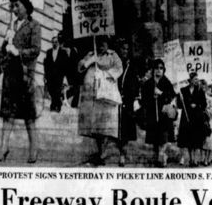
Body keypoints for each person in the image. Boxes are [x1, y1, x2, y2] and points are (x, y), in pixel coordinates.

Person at [0, 0, 41, 163]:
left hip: (25, 75)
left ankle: (34, 149)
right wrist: (4, 42)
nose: (14, 9)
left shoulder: (34, 25)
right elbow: (4, 49)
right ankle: (3, 148)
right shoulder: (11, 25)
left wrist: (18, 52)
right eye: (12, 6)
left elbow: (36, 50)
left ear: (26, 6)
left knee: (29, 115)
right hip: (10, 74)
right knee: (8, 113)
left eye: (17, 5)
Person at [78, 37, 123, 165]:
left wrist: (104, 75)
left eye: (103, 43)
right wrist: (89, 62)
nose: (101, 46)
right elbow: (80, 67)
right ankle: (99, 152)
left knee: (105, 126)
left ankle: (103, 153)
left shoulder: (113, 55)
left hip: (105, 94)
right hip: (91, 95)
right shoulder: (91, 54)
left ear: (108, 45)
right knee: (95, 126)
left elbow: (119, 69)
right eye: (99, 43)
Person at [141, 59, 176, 167]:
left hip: (164, 114)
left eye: (161, 68)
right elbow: (144, 100)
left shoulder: (166, 82)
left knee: (164, 137)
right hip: (152, 114)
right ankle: (158, 158)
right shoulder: (148, 83)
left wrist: (161, 93)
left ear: (164, 70)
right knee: (155, 139)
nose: (158, 71)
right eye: (156, 68)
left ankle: (162, 156)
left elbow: (172, 96)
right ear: (153, 70)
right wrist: (152, 97)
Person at [117, 40, 140, 166]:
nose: (124, 52)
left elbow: (134, 84)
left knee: (125, 129)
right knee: (117, 129)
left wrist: (135, 98)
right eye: (122, 49)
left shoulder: (131, 66)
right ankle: (120, 151)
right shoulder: (114, 64)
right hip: (115, 99)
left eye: (126, 49)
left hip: (127, 101)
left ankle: (122, 154)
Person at [177, 72, 207, 167]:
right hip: (187, 118)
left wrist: (197, 105)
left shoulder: (200, 91)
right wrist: (180, 99)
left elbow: (204, 105)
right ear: (190, 80)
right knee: (189, 140)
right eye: (195, 79)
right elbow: (179, 105)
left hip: (197, 118)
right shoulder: (183, 90)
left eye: (197, 79)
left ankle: (196, 160)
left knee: (197, 140)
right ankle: (190, 159)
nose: (196, 81)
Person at [44, 34, 70, 112]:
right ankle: (56, 102)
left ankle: (56, 105)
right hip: (50, 75)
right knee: (51, 90)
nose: (54, 43)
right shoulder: (48, 52)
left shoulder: (63, 52)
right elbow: (46, 64)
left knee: (57, 91)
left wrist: (65, 76)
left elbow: (66, 65)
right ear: (51, 43)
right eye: (53, 42)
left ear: (58, 43)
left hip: (59, 75)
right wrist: (45, 75)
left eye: (56, 42)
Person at [200, 79, 212, 166]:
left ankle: (207, 158)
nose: (202, 88)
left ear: (205, 87)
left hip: (208, 123)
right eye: (200, 87)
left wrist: (206, 111)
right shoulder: (197, 98)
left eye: (203, 87)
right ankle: (202, 158)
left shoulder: (209, 99)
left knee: (208, 141)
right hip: (200, 123)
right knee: (201, 141)